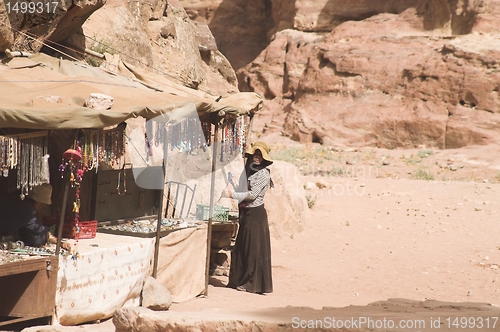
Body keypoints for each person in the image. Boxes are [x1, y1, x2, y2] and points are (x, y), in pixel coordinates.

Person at [221, 141, 274, 294]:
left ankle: (251, 284)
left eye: (259, 155)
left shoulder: (263, 174)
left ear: (263, 158)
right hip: (248, 215)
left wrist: (231, 195)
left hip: (256, 215)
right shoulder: (250, 171)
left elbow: (252, 195)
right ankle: (239, 280)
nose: (256, 158)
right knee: (242, 248)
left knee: (253, 250)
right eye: (254, 155)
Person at [0, 184, 69, 249]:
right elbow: (37, 228)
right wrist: (58, 242)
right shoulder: (23, 207)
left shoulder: (23, 202)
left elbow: (27, 229)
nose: (42, 205)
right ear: (35, 199)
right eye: (41, 202)